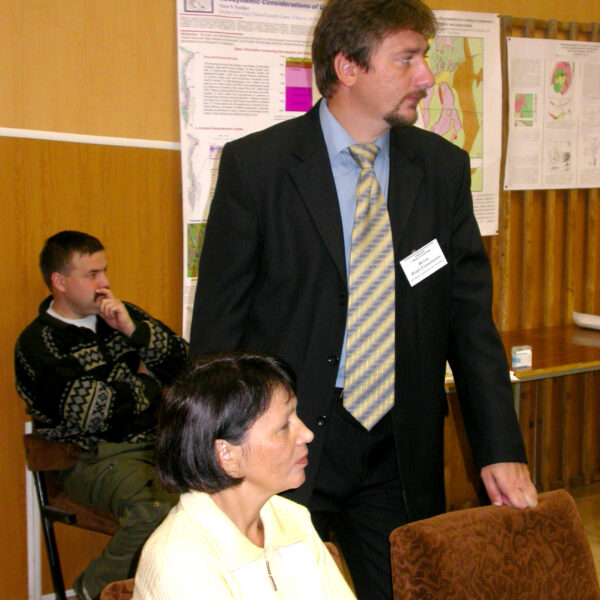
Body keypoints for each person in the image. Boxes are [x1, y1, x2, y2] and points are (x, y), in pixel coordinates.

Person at [189, 0, 538, 597]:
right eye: (406, 59)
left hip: (399, 447)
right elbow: (219, 329)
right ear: (347, 66)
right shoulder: (258, 167)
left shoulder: (442, 169)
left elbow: (468, 324)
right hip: (285, 443)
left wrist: (499, 448)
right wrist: (211, 456)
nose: (426, 75)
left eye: (424, 57)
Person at [14, 231, 188, 600]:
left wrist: (133, 331)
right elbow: (93, 412)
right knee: (154, 508)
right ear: (60, 281)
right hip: (88, 458)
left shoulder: (123, 316)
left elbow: (186, 365)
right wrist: (148, 384)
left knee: (216, 494)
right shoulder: (38, 344)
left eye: (104, 271)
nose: (104, 282)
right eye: (92, 274)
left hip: (156, 444)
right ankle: (92, 590)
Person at [132, 353, 356, 600]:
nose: (307, 434)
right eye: (284, 426)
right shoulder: (179, 562)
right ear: (227, 455)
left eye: (296, 416)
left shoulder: (292, 517)